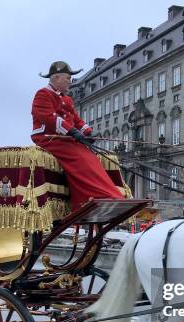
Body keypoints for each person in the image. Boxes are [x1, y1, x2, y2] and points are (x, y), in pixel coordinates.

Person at [30, 61, 124, 211]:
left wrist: (87, 131)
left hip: (66, 139)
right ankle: (91, 198)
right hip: (49, 138)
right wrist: (71, 131)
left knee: (91, 157)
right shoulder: (43, 94)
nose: (70, 81)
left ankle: (108, 194)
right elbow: (49, 117)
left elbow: (75, 119)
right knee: (80, 157)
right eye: (67, 78)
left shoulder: (67, 99)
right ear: (56, 78)